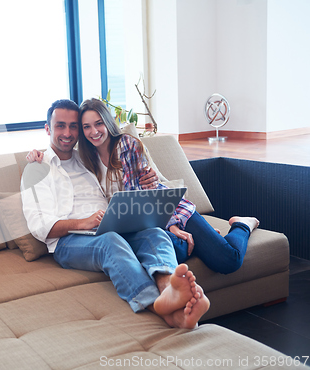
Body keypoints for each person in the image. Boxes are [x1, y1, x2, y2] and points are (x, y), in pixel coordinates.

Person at [21, 99, 209, 329]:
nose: (68, 133)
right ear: (48, 129)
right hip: (68, 242)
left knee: (154, 233)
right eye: (60, 126)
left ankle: (169, 291)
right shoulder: (37, 168)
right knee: (109, 242)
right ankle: (155, 304)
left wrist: (150, 178)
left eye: (73, 126)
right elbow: (39, 227)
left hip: (110, 226)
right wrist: (83, 223)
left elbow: (125, 175)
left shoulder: (86, 159)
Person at [31, 98, 259, 274]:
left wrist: (171, 226)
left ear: (108, 122)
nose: (94, 132)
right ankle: (202, 238)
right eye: (87, 126)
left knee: (228, 260)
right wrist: (36, 155)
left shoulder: (127, 146)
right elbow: (59, 149)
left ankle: (242, 225)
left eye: (98, 123)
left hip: (168, 211)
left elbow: (139, 198)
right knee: (175, 250)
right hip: (142, 225)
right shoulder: (85, 158)